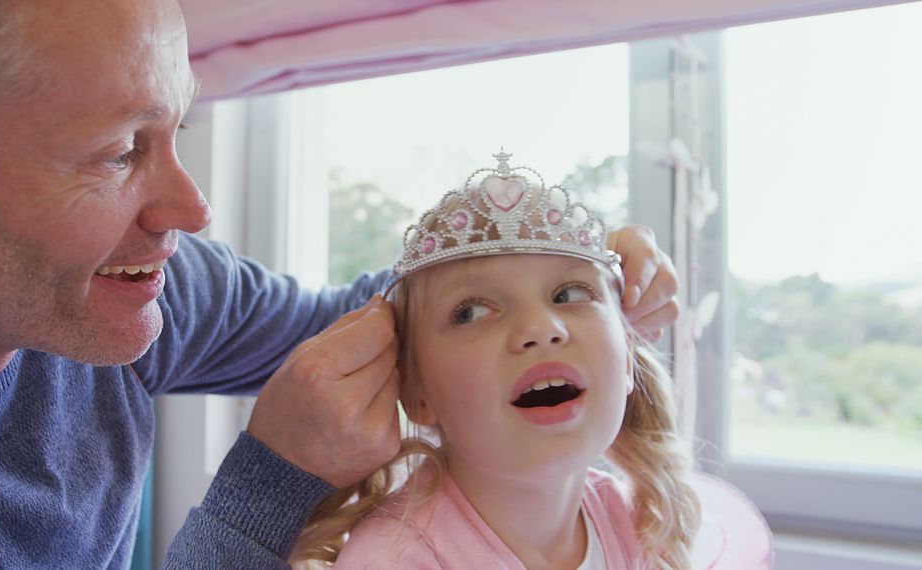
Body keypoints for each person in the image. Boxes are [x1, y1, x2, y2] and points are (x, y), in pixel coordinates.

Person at [0, 1, 681, 568]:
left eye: (178, 129)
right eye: (117, 151)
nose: (191, 209)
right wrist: (266, 488)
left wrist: (565, 269)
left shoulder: (131, 286)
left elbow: (362, 322)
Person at [293, 152, 772, 569]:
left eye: (569, 293)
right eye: (472, 311)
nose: (541, 328)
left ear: (628, 359)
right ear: (415, 393)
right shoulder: (393, 563)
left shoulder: (635, 524)